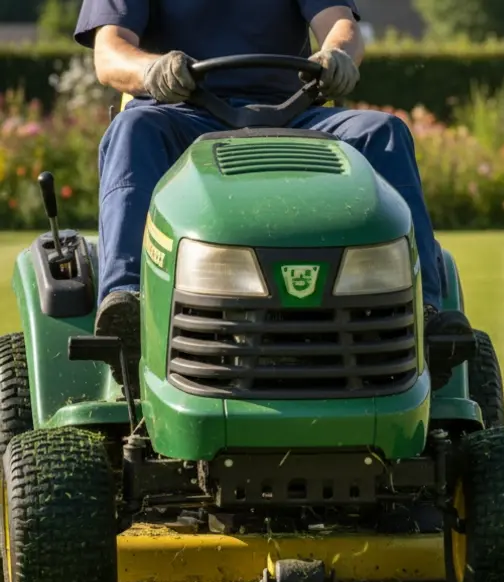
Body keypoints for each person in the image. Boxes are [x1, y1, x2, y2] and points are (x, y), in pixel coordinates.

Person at [74, 0, 471, 387]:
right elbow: (110, 54)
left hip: (293, 112)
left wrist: (336, 54)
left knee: (383, 132)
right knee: (132, 131)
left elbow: (340, 25)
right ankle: (126, 303)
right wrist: (153, 69)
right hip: (180, 113)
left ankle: (425, 312)